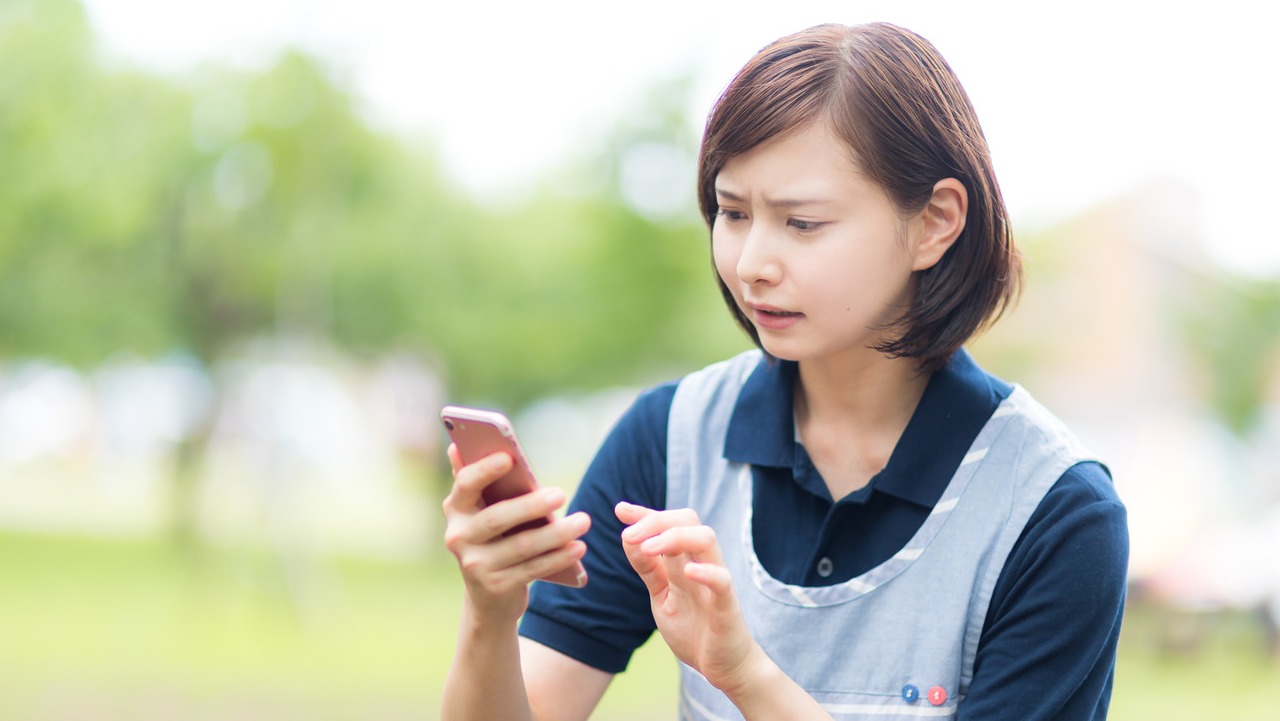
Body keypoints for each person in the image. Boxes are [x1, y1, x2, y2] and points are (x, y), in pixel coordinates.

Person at [441, 21, 1128, 721]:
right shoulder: (671, 437)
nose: (750, 263)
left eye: (802, 223)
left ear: (935, 222)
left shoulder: (1054, 511)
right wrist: (491, 613)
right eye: (733, 212)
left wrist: (746, 675)